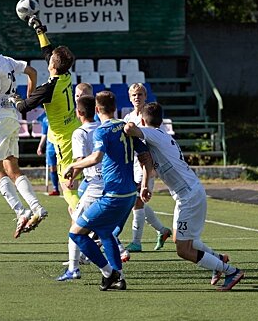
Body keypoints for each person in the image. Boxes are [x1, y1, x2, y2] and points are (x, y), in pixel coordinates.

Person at [124, 102, 244, 291]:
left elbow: (130, 128)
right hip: (187, 194)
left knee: (183, 249)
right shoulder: (157, 138)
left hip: (189, 195)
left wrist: (120, 126)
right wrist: (145, 186)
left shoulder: (154, 133)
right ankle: (218, 260)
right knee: (182, 241)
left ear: (142, 120)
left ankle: (231, 271)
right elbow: (149, 164)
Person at [63, 91, 151, 291]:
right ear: (115, 106)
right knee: (105, 232)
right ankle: (119, 278)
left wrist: (72, 167)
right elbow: (145, 156)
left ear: (96, 109)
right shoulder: (127, 127)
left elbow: (96, 158)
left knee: (76, 233)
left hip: (114, 194)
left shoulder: (102, 131)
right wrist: (144, 184)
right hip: (130, 194)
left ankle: (108, 273)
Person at [0, 30, 48, 238]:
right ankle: (36, 207)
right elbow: (32, 72)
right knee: (11, 167)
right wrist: (28, 98)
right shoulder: (7, 60)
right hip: (13, 117)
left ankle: (21, 212)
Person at [10, 16, 82, 214]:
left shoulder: (48, 88)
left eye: (50, 59)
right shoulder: (66, 75)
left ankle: (88, 221)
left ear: (52, 65)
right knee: (80, 177)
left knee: (66, 183)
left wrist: (13, 98)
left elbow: (23, 107)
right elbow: (49, 53)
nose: (48, 59)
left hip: (64, 139)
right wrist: (40, 32)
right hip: (77, 129)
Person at [57, 95, 103, 281]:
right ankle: (112, 266)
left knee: (75, 227)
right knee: (103, 230)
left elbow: (79, 160)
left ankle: (73, 268)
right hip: (111, 183)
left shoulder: (79, 133)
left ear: (79, 113)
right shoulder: (103, 128)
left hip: (94, 184)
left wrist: (72, 175)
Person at [122, 83, 171, 252]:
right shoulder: (128, 117)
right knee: (136, 201)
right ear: (129, 97)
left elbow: (159, 138)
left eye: (140, 94)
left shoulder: (151, 116)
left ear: (145, 96)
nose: (137, 97)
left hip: (147, 164)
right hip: (133, 164)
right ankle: (162, 230)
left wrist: (153, 167)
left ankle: (136, 241)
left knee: (138, 202)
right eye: (134, 95)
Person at [36, 112, 60, 196]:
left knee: (64, 166)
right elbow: (44, 134)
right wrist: (40, 146)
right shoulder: (45, 118)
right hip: (50, 146)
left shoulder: (60, 114)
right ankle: (55, 189)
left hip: (61, 144)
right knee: (52, 167)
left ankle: (69, 187)